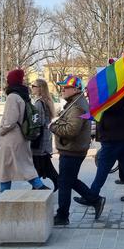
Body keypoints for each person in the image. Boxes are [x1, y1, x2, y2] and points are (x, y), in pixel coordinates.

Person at [50, 75, 105, 225]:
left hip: (72, 150)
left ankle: (62, 216)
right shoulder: (74, 103)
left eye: (65, 87)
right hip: (72, 149)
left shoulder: (77, 106)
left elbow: (71, 130)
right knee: (69, 180)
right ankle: (95, 199)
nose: (63, 90)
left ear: (75, 89)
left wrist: (53, 126)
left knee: (64, 183)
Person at [0, 69, 48, 196]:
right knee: (21, 164)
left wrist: (0, 130)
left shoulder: (12, 96)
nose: (6, 81)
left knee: (6, 166)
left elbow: (10, 120)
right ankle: (38, 186)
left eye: (8, 79)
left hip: (10, 138)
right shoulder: (23, 95)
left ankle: (5, 194)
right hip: (20, 136)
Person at [85, 77, 124, 203]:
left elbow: (111, 107)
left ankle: (92, 196)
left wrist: (97, 98)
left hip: (113, 135)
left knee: (103, 165)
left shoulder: (119, 91)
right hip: (123, 133)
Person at [30, 79, 58, 189]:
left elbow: (38, 121)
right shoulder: (46, 101)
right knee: (43, 163)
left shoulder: (39, 103)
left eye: (34, 86)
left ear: (40, 88)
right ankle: (39, 186)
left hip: (40, 138)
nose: (32, 88)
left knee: (38, 163)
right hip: (45, 137)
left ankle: (38, 186)